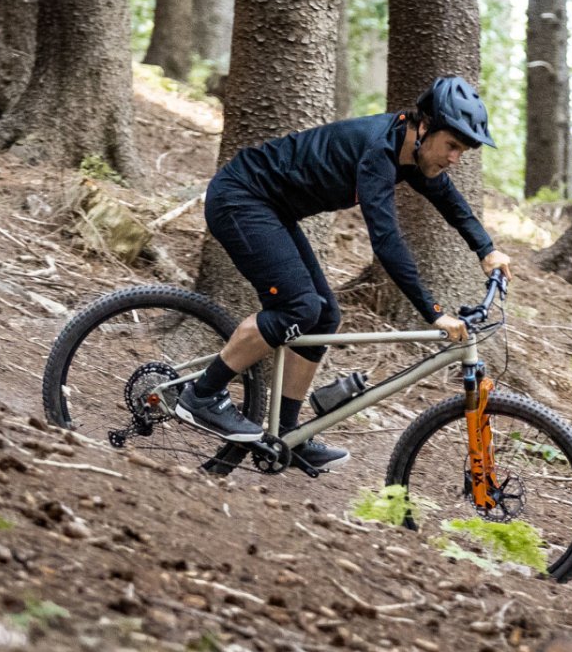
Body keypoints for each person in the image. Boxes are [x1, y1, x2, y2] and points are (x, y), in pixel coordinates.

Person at [174, 76, 512, 473]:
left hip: (270, 210)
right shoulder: (378, 152)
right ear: (424, 127)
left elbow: (450, 200)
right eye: (452, 145)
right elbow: (386, 241)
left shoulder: (410, 151)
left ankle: (288, 434)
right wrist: (433, 311)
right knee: (297, 307)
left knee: (324, 315)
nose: (455, 158)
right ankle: (201, 396)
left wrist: (486, 250)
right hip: (240, 198)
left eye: (463, 150)